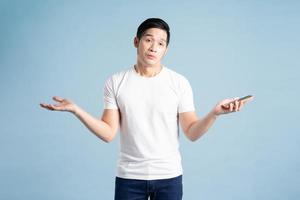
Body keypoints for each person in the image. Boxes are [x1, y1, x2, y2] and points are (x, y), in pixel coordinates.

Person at [40, 18, 253, 200]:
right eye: (148, 40)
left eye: (161, 43)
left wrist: (214, 114)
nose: (153, 47)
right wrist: (77, 110)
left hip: (169, 177)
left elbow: (192, 132)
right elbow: (108, 132)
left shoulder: (179, 83)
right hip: (129, 178)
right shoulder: (116, 82)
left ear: (166, 49)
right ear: (136, 41)